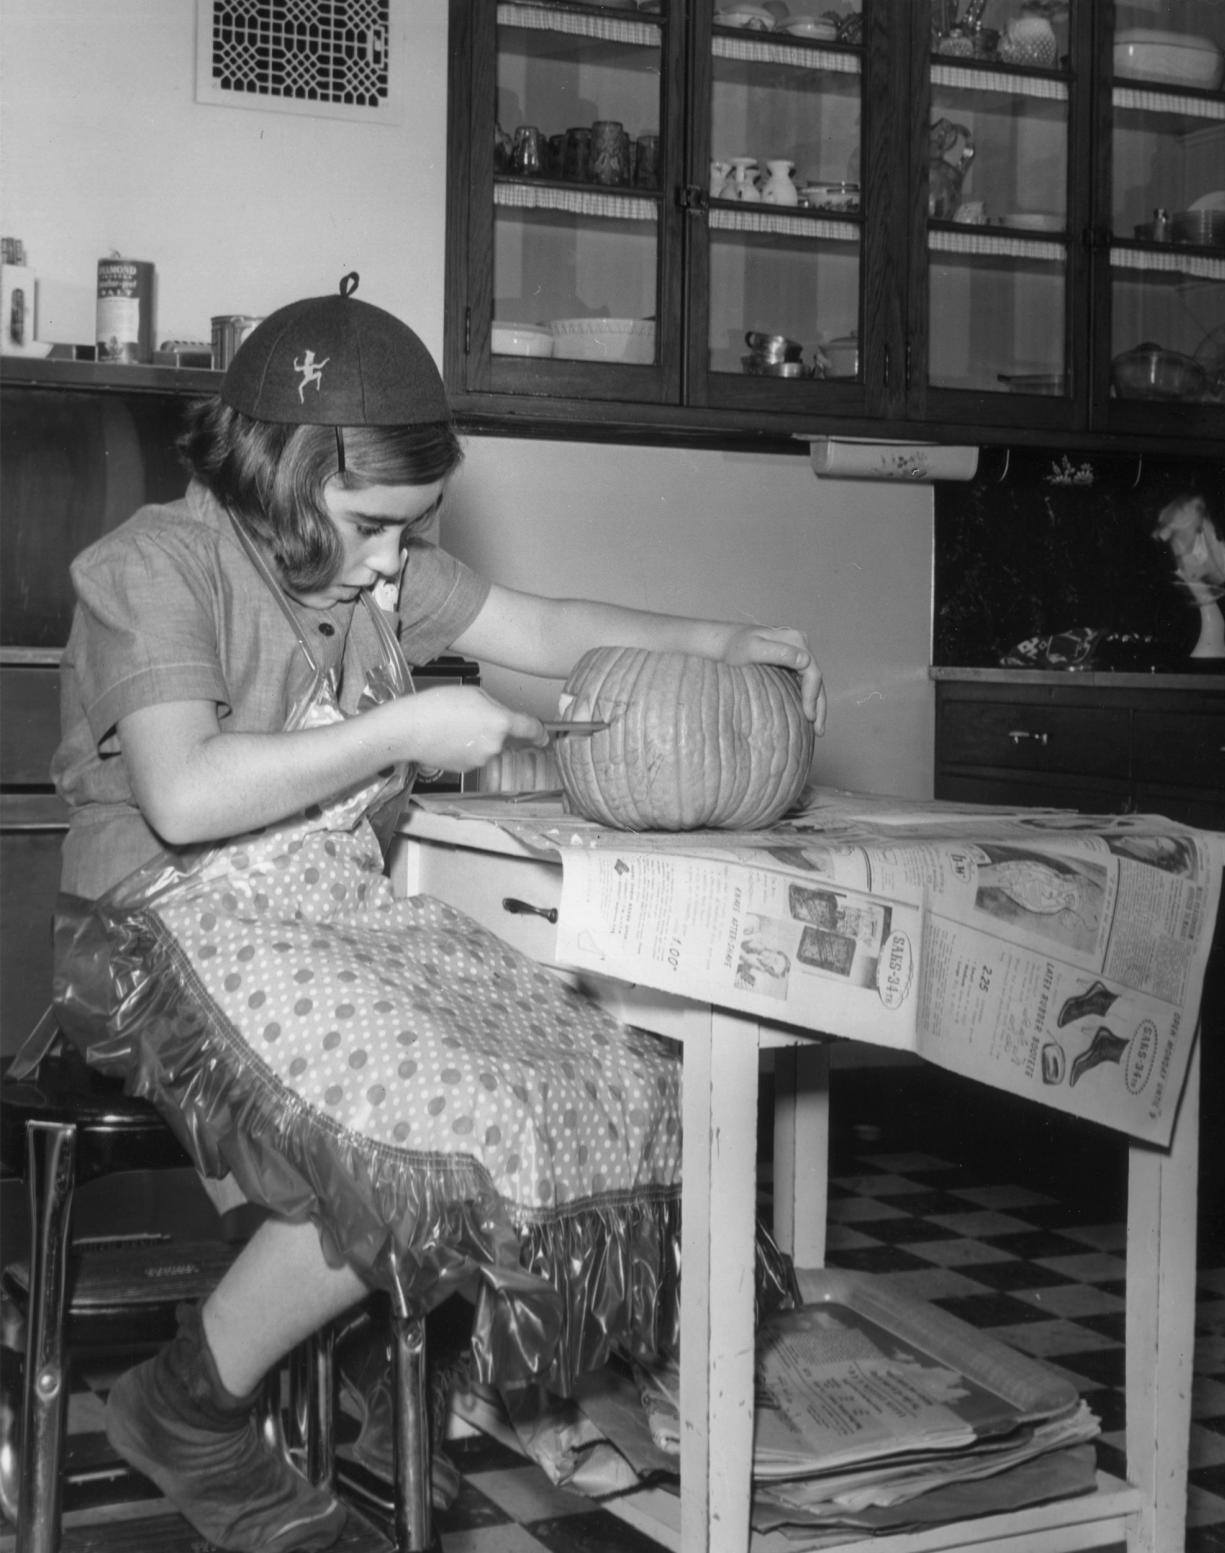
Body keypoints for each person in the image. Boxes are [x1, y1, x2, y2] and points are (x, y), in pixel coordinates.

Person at [51, 274, 826, 1552]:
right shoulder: (158, 564)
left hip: (312, 914)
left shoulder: (369, 567)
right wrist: (404, 724)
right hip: (154, 921)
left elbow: (545, 623)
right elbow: (184, 796)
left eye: (411, 531)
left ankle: (375, 1386)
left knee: (583, 1068)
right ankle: (188, 1403)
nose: (392, 561)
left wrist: (722, 639)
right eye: (372, 524)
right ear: (277, 470)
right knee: (431, 1113)